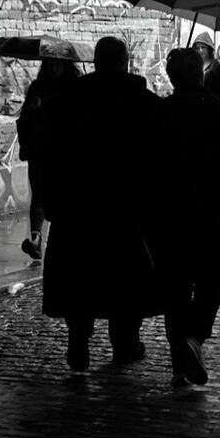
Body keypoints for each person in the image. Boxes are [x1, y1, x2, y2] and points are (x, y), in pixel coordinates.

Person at [42, 36, 161, 373]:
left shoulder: (67, 100)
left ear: (95, 62)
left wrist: (51, 199)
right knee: (125, 281)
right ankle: (124, 344)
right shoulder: (145, 103)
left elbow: (50, 152)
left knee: (79, 278)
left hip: (77, 208)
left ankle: (78, 341)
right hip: (127, 211)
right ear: (125, 63)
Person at [150, 48, 220, 387]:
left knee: (175, 289)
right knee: (212, 281)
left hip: (169, 218)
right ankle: (194, 338)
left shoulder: (159, 114)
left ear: (171, 75)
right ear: (200, 73)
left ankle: (180, 360)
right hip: (213, 217)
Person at [16, 55, 81, 261]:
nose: (53, 68)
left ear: (66, 66)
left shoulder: (74, 88)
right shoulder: (38, 87)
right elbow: (25, 118)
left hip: (64, 152)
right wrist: (33, 108)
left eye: (58, 64)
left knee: (62, 196)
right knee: (39, 194)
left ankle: (59, 242)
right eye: (50, 64)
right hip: (40, 149)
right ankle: (35, 239)